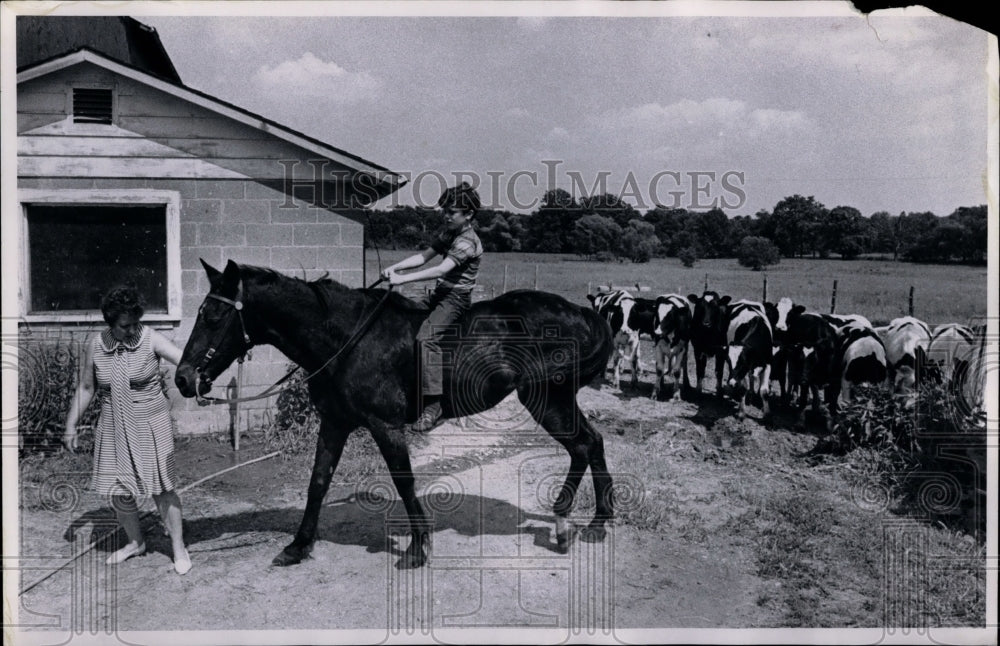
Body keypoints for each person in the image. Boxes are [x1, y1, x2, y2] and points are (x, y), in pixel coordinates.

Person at [63, 286, 192, 575]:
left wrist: (199, 381)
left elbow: (185, 362)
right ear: (111, 323)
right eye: (125, 325)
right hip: (113, 424)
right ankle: (136, 542)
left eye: (136, 322)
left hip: (151, 422)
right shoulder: (96, 345)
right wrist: (70, 425)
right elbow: (86, 387)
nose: (132, 329)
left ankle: (179, 548)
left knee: (162, 487)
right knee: (119, 489)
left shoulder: (150, 339)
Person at [382, 182, 484, 432]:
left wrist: (402, 280)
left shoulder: (467, 241)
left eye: (452, 212)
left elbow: (440, 269)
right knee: (397, 313)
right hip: (439, 295)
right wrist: (395, 268)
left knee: (427, 339)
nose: (446, 215)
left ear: (468, 214)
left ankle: (433, 406)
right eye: (445, 211)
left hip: (455, 299)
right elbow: (424, 257)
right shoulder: (449, 233)